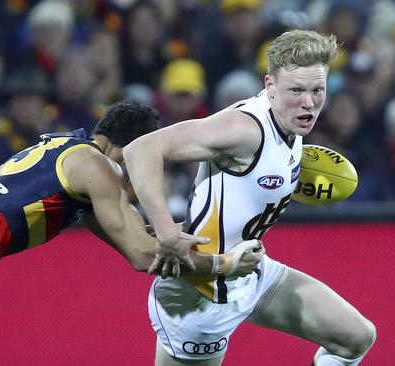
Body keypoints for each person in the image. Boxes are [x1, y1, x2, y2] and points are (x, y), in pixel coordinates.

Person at [0, 100, 262, 365]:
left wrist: (207, 228)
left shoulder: (67, 150)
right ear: (131, 147)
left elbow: (138, 241)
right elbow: (146, 257)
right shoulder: (100, 169)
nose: (137, 175)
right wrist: (224, 264)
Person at [123, 30, 376, 365]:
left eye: (318, 90)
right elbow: (141, 149)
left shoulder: (290, 124)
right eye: (296, 90)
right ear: (270, 86)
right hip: (202, 293)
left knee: (355, 337)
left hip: (249, 272)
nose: (309, 102)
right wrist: (166, 230)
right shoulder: (244, 129)